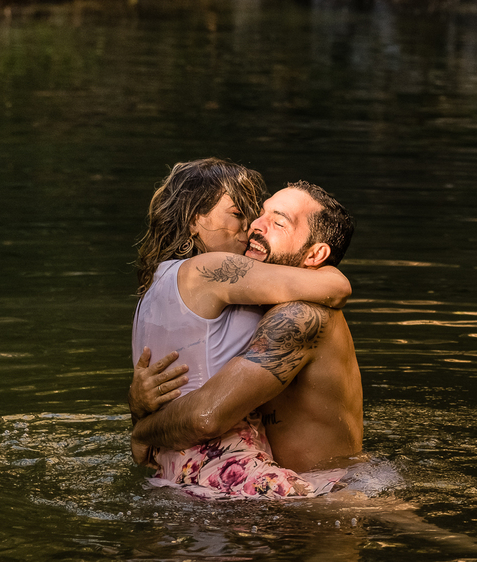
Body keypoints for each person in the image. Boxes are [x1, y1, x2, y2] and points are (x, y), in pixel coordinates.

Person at [130, 161, 353, 498]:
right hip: (229, 470)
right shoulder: (210, 272)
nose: (251, 227)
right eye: (240, 214)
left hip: (174, 471)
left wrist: (138, 416)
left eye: (275, 222)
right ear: (194, 220)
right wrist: (334, 276)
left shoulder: (156, 286)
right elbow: (337, 288)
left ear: (316, 254)